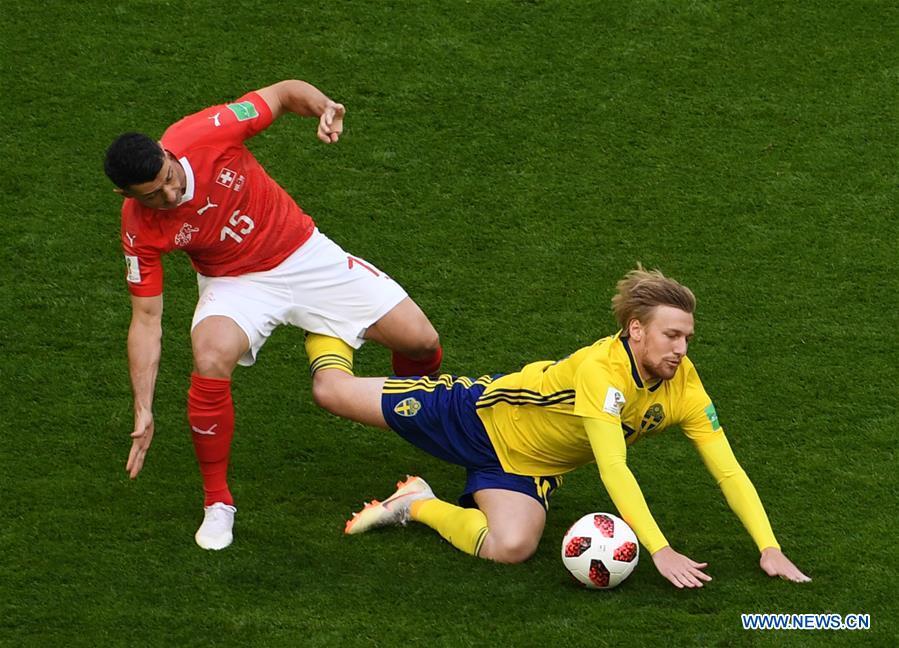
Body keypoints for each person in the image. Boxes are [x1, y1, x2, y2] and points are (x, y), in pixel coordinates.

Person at [305, 267, 810, 588]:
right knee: (330, 391)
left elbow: (728, 471)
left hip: (527, 469)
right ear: (636, 329)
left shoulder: (686, 388)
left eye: (687, 338)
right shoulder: (600, 372)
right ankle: (322, 316)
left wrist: (769, 547)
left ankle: (415, 502)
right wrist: (661, 550)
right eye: (671, 335)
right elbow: (613, 468)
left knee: (512, 548)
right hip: (474, 417)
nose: (680, 349)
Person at [105, 79, 443, 551]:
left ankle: (418, 420)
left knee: (422, 342)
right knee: (210, 355)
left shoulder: (207, 131)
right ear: (127, 193)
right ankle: (217, 504)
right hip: (235, 284)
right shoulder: (138, 228)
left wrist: (323, 106)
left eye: (169, 175)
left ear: (166, 151)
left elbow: (283, 95)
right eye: (154, 193)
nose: (171, 191)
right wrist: (142, 405)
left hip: (303, 253)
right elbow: (145, 319)